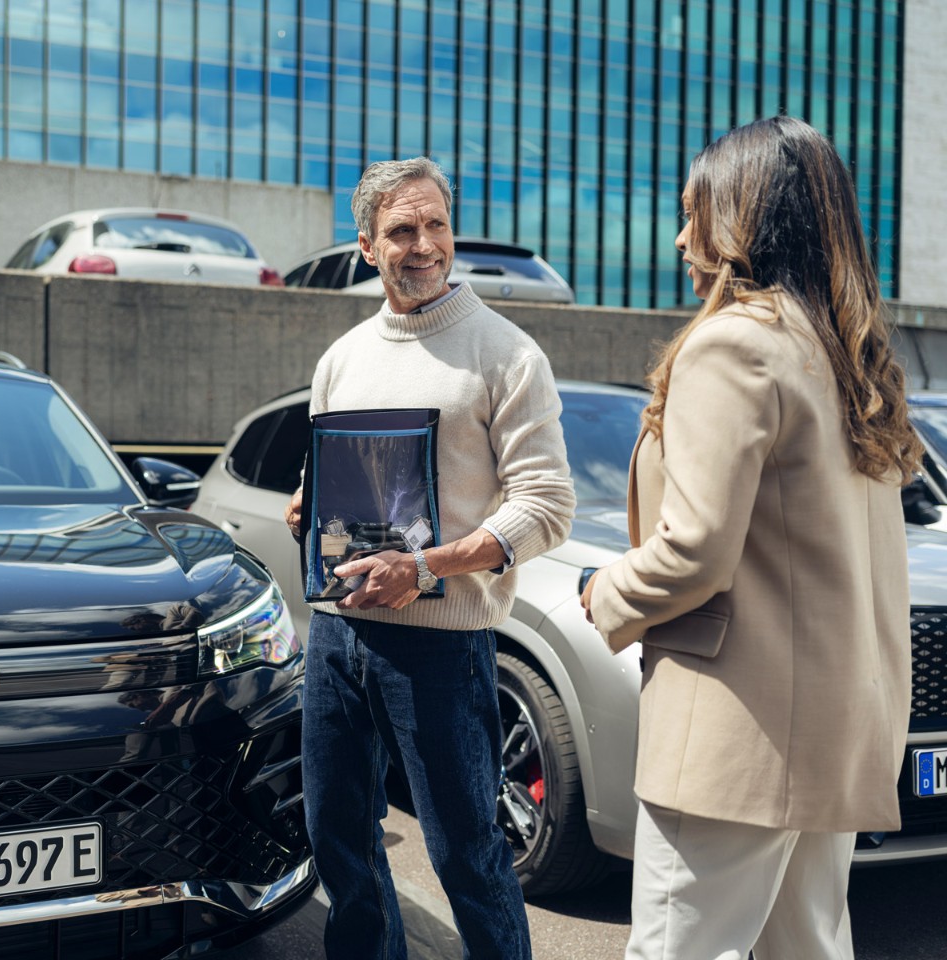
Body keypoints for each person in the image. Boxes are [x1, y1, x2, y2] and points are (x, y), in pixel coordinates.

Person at [581, 115, 919, 960]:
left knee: (675, 951)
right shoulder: (844, 355)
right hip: (838, 723)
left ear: (744, 219)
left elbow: (694, 550)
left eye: (694, 213)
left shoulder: (735, 345)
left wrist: (603, 593)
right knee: (805, 946)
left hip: (733, 732)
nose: (679, 237)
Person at [284, 157, 575, 959]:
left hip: (442, 643)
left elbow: (546, 506)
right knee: (338, 838)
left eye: (435, 224)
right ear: (367, 246)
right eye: (401, 230)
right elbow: (324, 478)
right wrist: (308, 510)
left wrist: (427, 567)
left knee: (466, 857)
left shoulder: (506, 353)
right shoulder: (340, 357)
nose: (423, 245)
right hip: (337, 636)